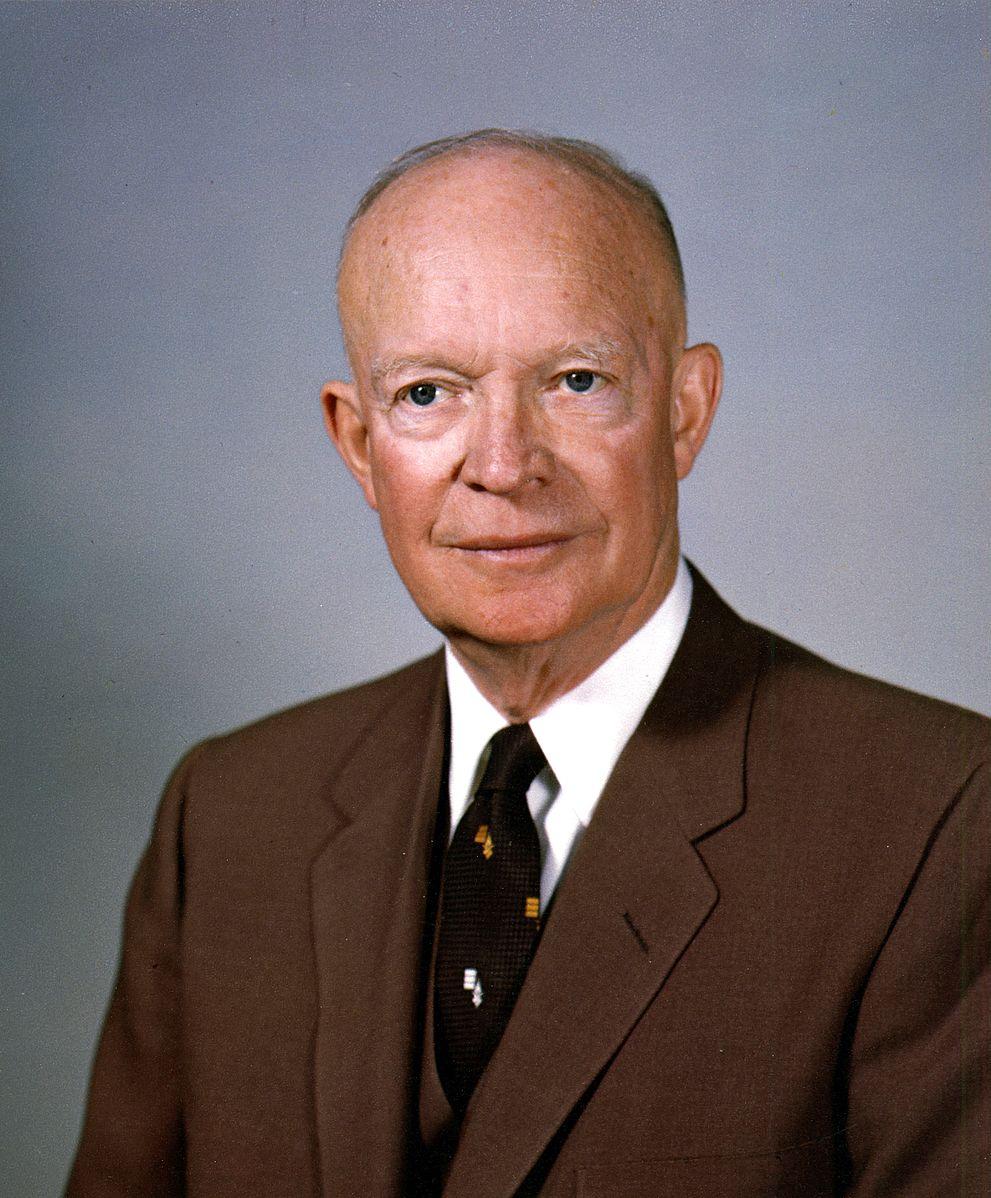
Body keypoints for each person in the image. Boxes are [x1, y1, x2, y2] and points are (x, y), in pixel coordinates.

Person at [67, 130, 989, 1197]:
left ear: (684, 412)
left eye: (576, 379)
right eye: (427, 394)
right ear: (357, 443)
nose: (502, 466)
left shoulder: (939, 822)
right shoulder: (226, 819)